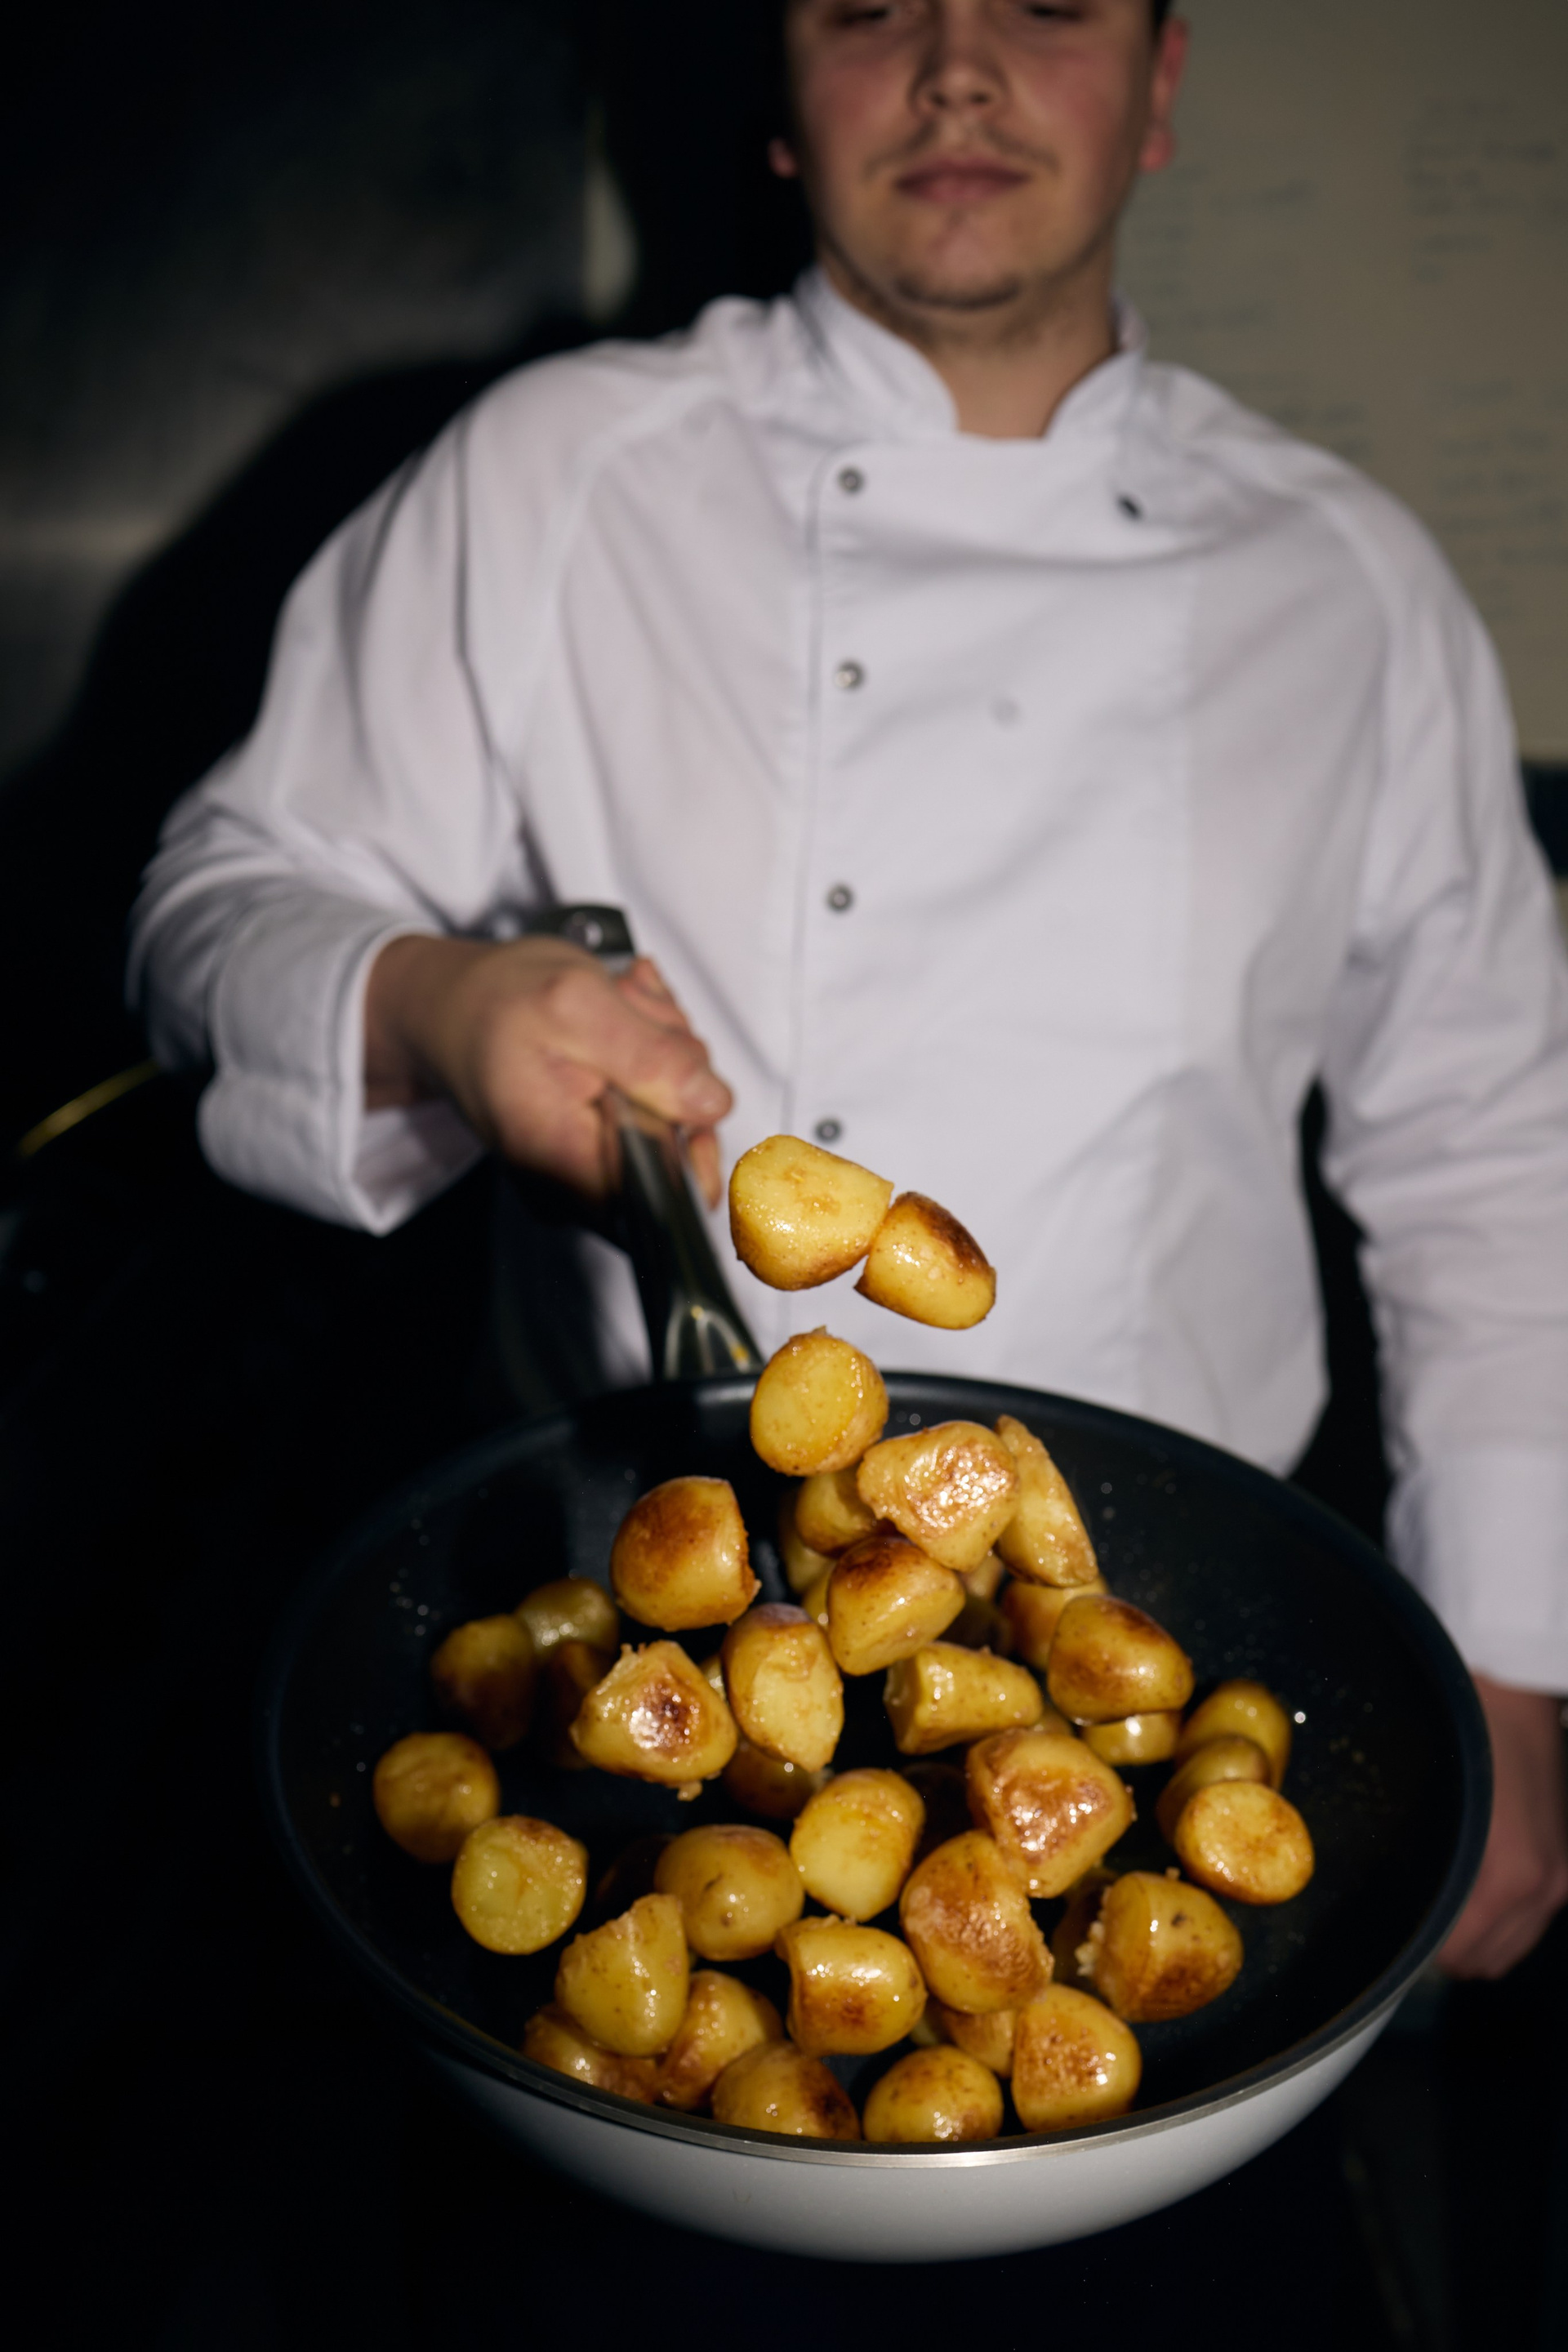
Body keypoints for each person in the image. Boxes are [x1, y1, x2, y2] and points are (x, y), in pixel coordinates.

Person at [130, 0, 1568, 1976]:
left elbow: (1494, 1136)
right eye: (872, 6)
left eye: (1046, 4)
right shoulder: (556, 475)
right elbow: (208, 907)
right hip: (630, 1678)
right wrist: (441, 1003)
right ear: (784, 101)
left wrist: (1510, 1659)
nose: (957, 65)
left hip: (1175, 1681)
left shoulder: (1351, 586)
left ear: (1160, 85)